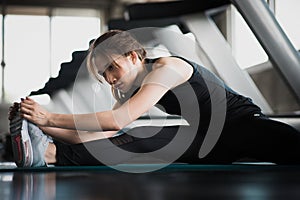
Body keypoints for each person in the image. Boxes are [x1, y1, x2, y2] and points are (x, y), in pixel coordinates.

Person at [8, 29, 300, 168]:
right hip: (205, 139)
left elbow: (119, 119)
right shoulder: (127, 88)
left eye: (112, 67)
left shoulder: (166, 69)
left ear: (134, 56)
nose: (109, 78)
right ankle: (48, 152)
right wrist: (45, 128)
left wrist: (48, 116)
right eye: (103, 73)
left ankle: (49, 153)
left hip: (244, 128)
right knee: (140, 139)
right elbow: (109, 132)